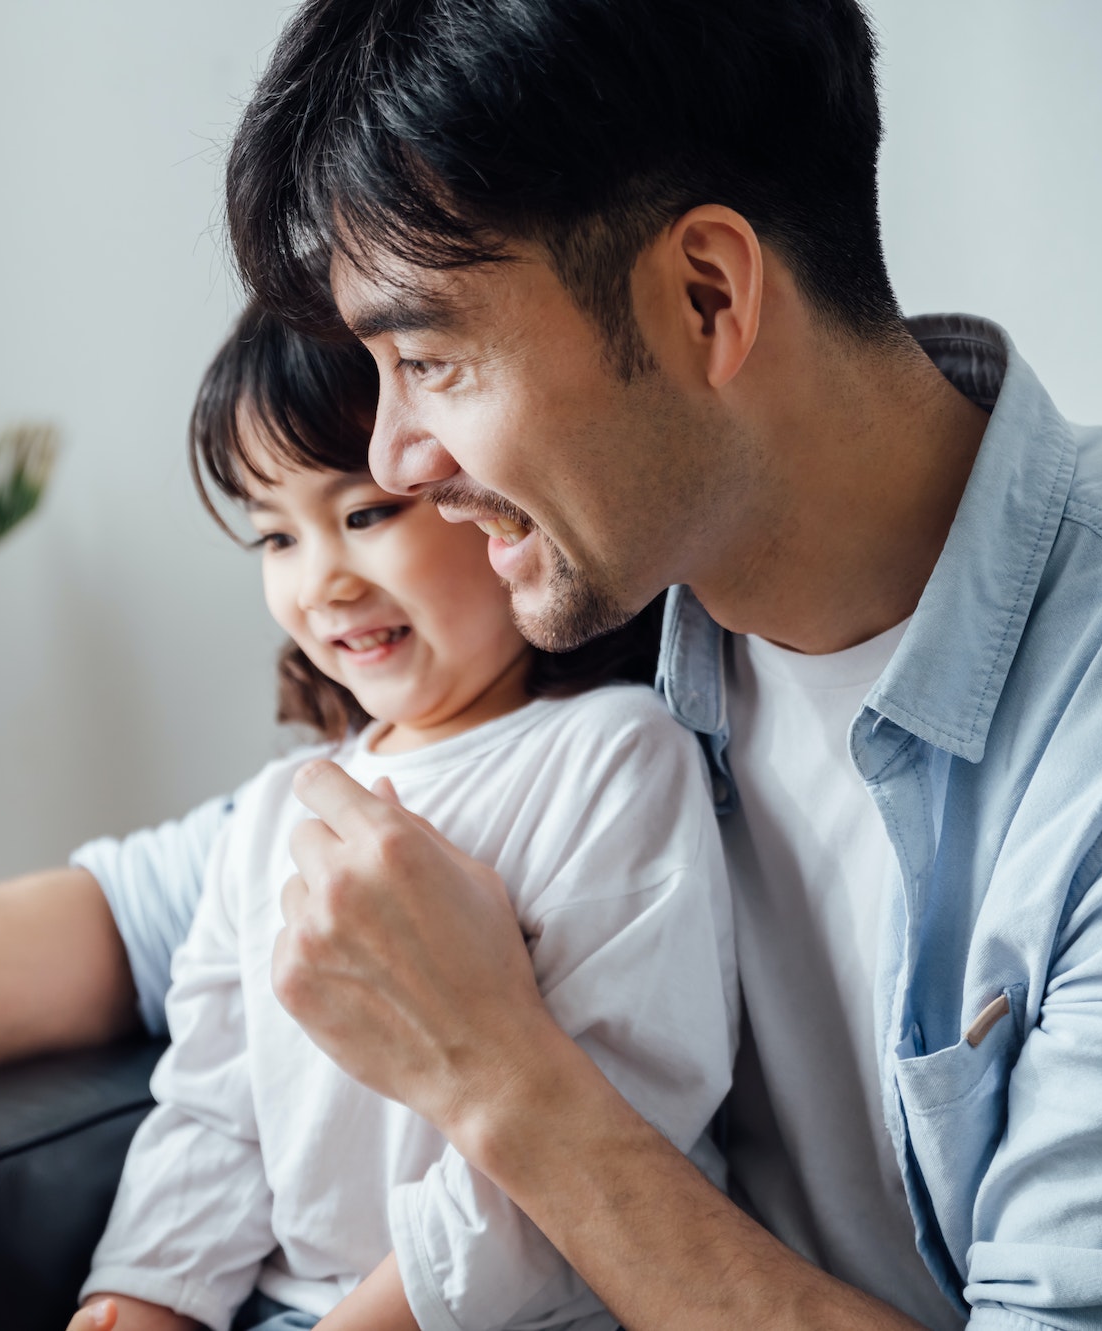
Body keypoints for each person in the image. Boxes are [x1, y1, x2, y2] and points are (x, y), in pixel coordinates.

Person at [0, 1, 1102, 1326]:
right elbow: (143, 917)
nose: (403, 466)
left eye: (431, 363)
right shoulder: (598, 597)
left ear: (710, 300)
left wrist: (500, 1074)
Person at [72, 305, 733, 1331]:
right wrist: (136, 1297)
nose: (319, 579)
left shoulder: (611, 756)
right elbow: (213, 1109)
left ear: (490, 501)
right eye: (275, 534)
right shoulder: (270, 812)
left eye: (364, 514)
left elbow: (606, 1135)